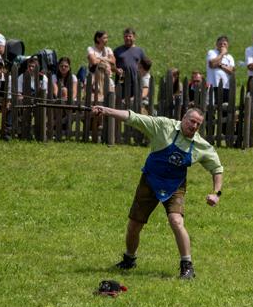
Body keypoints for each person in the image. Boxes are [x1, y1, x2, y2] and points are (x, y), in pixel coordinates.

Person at [91, 105, 224, 280]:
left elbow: (217, 169)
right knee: (134, 225)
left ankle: (187, 267)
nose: (193, 126)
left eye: (198, 124)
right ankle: (129, 259)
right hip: (150, 181)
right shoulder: (163, 126)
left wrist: (216, 193)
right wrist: (106, 111)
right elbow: (133, 117)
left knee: (176, 221)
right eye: (191, 121)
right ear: (183, 119)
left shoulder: (201, 146)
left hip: (175, 186)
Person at [114, 27, 147, 98]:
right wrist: (116, 70)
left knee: (134, 99)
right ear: (123, 37)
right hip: (121, 79)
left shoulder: (140, 51)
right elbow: (112, 66)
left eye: (130, 36)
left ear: (134, 37)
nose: (128, 38)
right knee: (120, 98)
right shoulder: (117, 50)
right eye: (126, 36)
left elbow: (145, 65)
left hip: (135, 79)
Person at [87, 30, 116, 102]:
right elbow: (94, 61)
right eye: (104, 38)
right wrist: (106, 59)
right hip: (94, 77)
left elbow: (113, 61)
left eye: (107, 38)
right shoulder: (91, 49)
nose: (106, 40)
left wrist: (100, 59)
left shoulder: (108, 49)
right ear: (98, 39)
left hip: (107, 76)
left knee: (110, 97)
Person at [206, 35, 235, 104]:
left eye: (224, 44)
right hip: (213, 85)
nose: (222, 45)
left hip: (226, 86)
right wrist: (222, 54)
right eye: (220, 43)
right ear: (216, 44)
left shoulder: (230, 57)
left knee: (225, 106)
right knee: (212, 106)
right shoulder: (212, 52)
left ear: (228, 45)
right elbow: (212, 64)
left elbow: (231, 71)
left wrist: (220, 65)